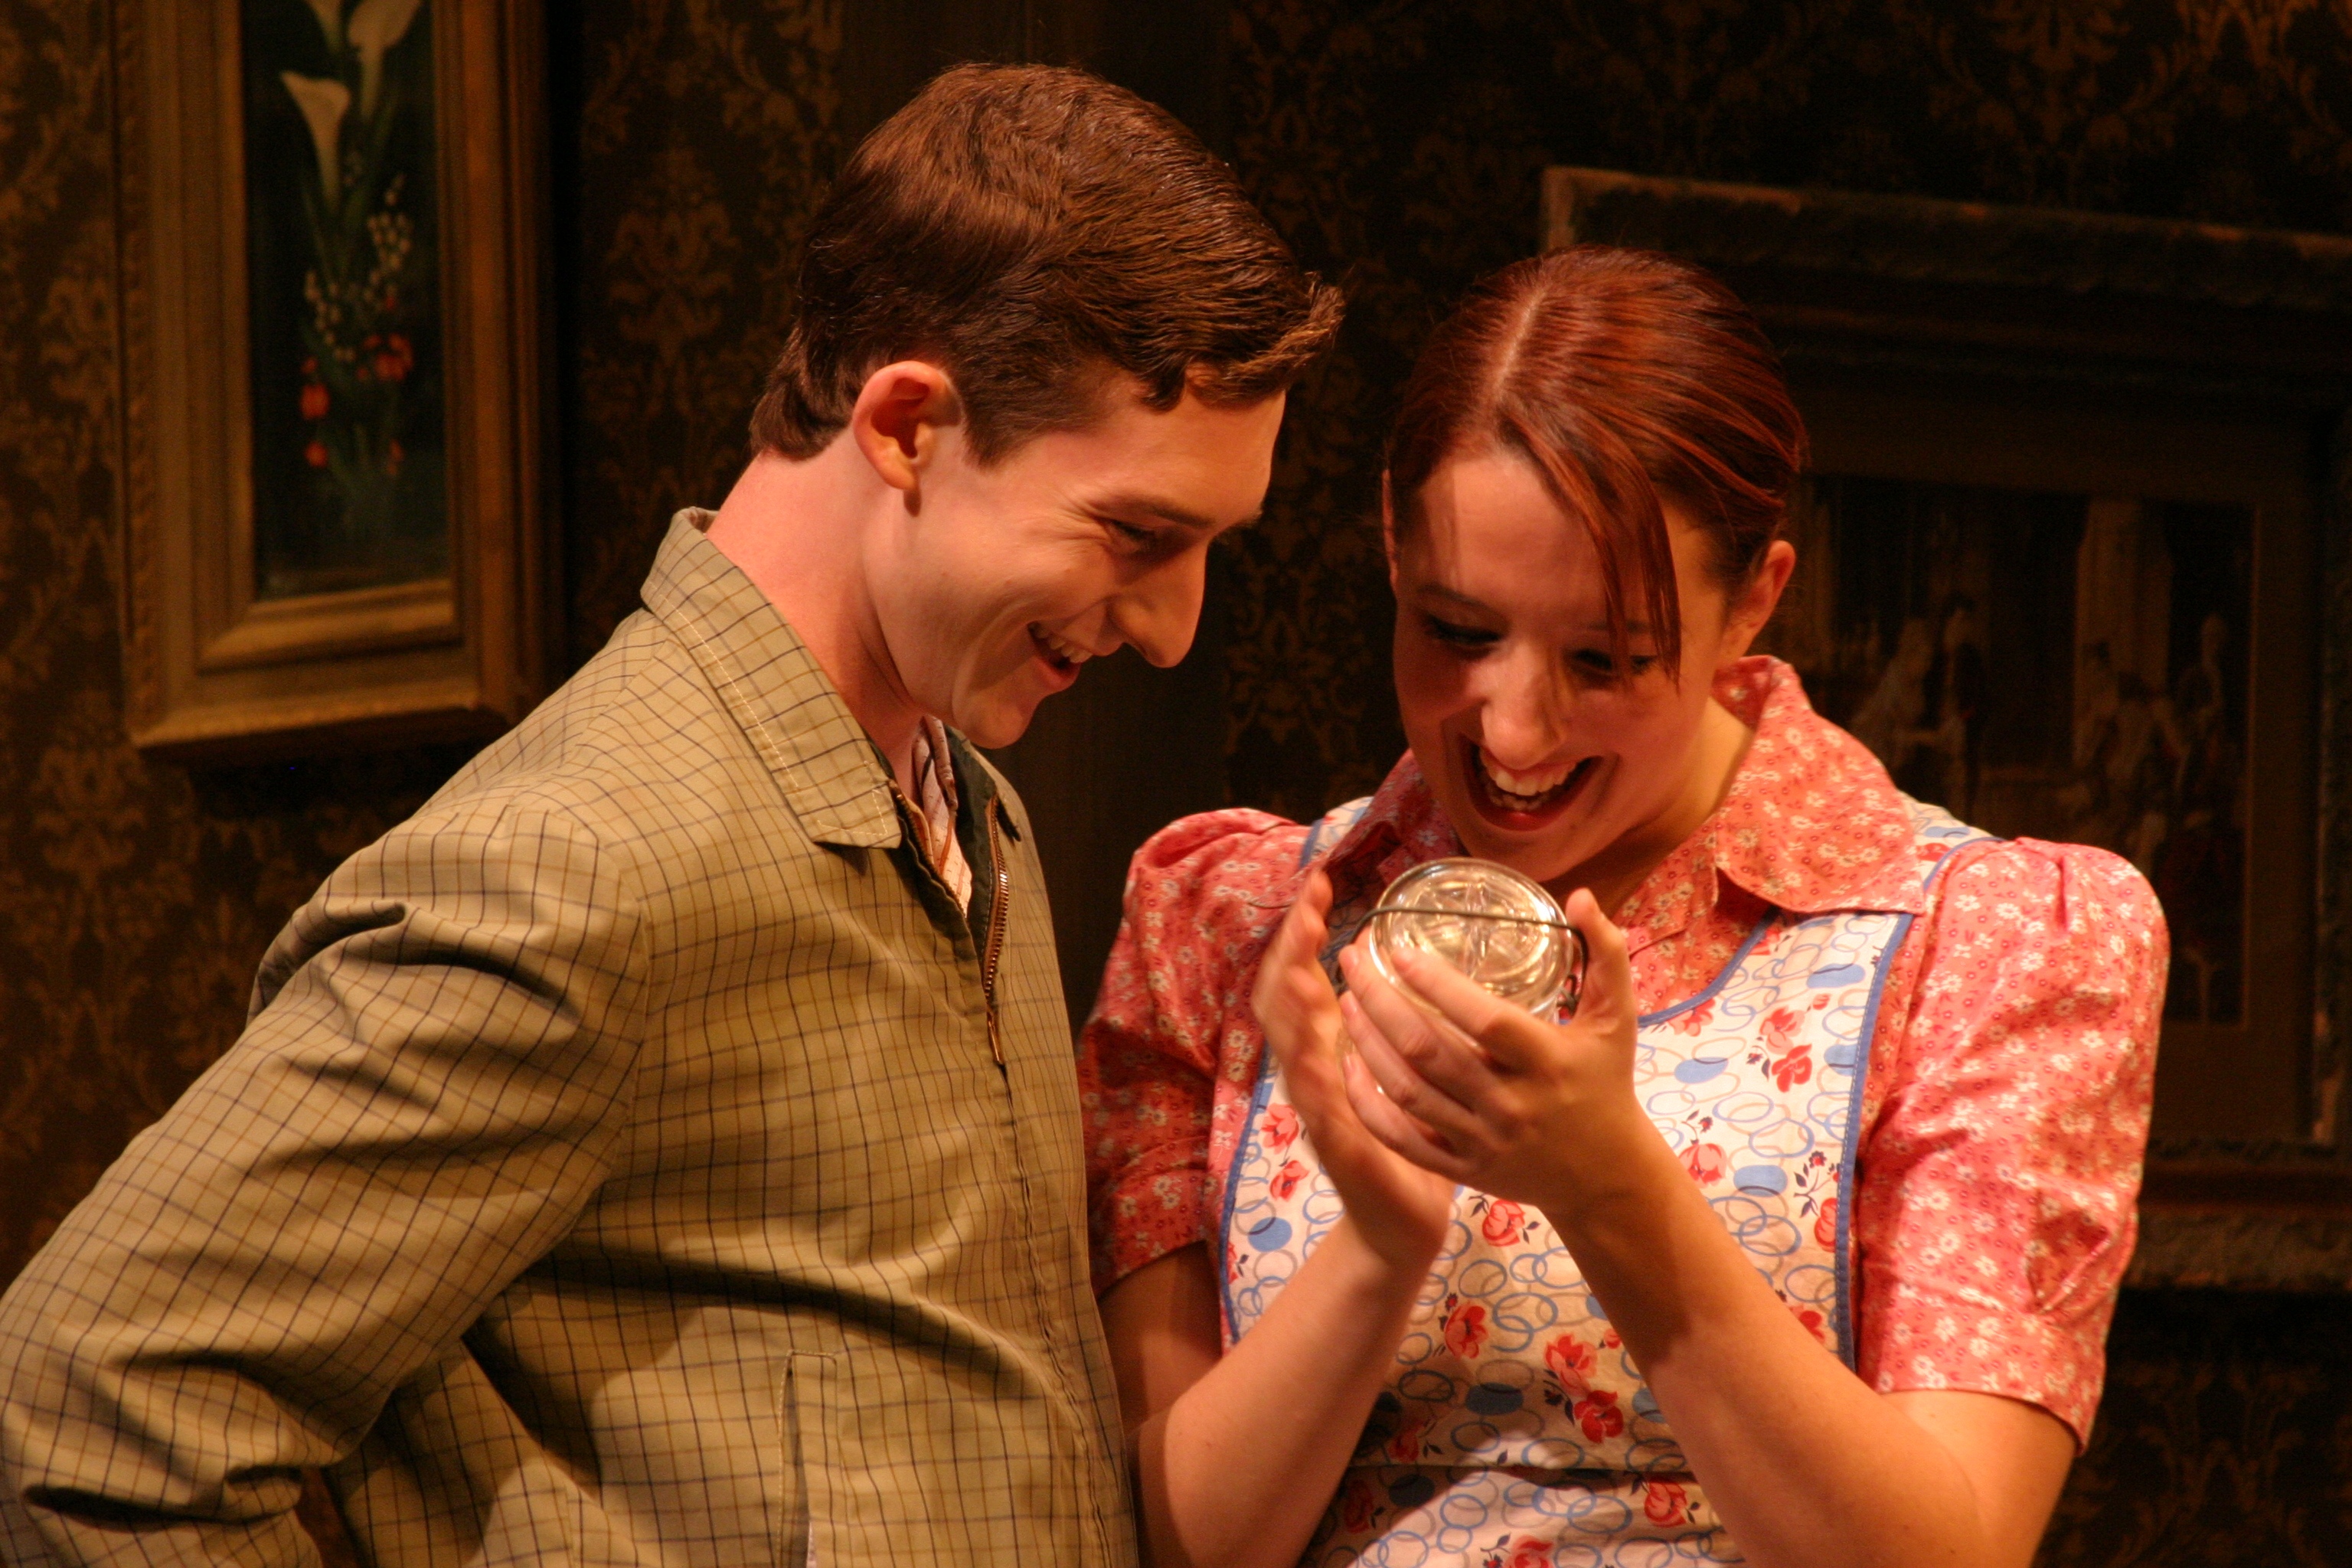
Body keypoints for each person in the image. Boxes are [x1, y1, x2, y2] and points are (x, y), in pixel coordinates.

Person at [0, 64, 1339, 1567]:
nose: (1174, 626)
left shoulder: (978, 816)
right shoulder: (576, 867)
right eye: (1138, 533)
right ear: (908, 425)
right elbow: (89, 1403)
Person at [1080, 247, 2165, 1568]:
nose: (1514, 731)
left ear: (1753, 601)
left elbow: (1948, 1554)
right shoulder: (1229, 914)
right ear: (1393, 546)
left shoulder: (1983, 940)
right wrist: (1379, 1243)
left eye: (1606, 658)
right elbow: (1175, 1547)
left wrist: (1612, 1192)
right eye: (1459, 631)